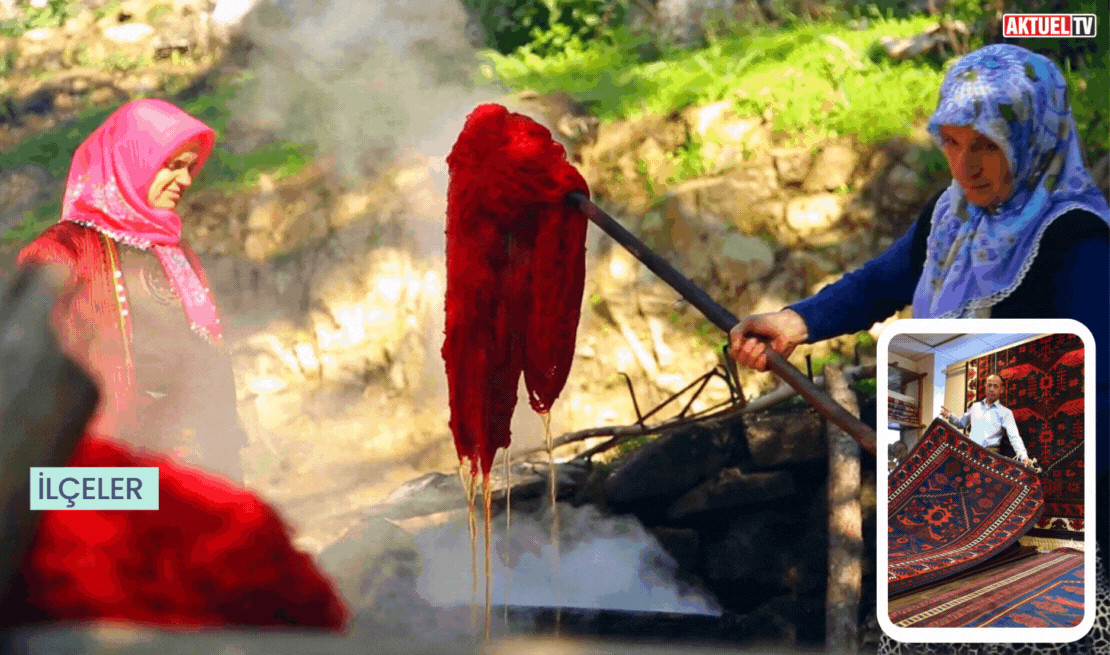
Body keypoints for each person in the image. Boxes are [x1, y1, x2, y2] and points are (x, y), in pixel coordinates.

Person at [727, 43, 1110, 630]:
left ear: (1034, 138)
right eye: (952, 142)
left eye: (986, 146)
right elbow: (883, 281)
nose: (965, 165)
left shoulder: (1077, 245)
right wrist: (796, 322)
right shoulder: (954, 216)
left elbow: (1096, 402)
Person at [17, 98, 248, 482]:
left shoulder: (172, 250)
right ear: (132, 160)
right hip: (104, 472)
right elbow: (28, 372)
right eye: (173, 166)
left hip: (195, 463)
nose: (186, 180)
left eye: (190, 167)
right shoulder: (62, 251)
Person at [939, 374, 1031, 466]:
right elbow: (961, 423)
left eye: (995, 386)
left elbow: (1014, 436)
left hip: (991, 457)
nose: (991, 389)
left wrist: (1023, 456)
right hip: (970, 454)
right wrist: (950, 415)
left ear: (1001, 389)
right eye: (989, 385)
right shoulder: (975, 407)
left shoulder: (1005, 412)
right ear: (985, 386)